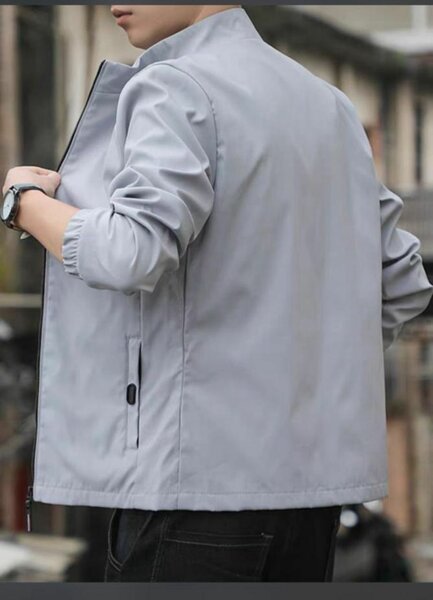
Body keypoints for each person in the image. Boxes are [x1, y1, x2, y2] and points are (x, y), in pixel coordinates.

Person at [1, 5, 432, 583]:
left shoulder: (175, 84)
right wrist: (301, 374)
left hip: (194, 488)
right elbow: (401, 279)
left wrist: (24, 202)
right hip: (310, 500)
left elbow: (129, 251)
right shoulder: (328, 104)